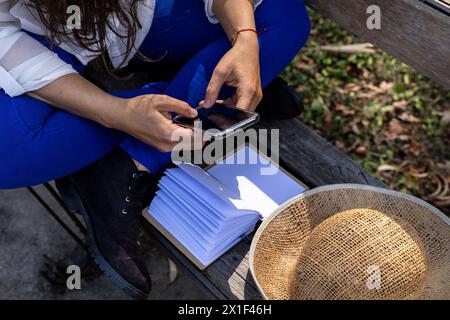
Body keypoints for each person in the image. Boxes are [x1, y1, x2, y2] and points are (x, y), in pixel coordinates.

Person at [0, 0, 310, 298]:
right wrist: (117, 113)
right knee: (7, 155)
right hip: (46, 37)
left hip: (146, 21)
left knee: (281, 16)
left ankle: (129, 164)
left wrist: (244, 38)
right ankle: (194, 92)